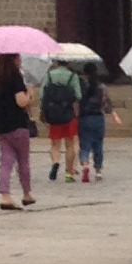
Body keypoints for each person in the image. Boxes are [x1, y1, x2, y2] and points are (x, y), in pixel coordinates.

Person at [0, 53, 36, 209]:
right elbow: (21, 102)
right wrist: (30, 94)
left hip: (0, 125)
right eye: (19, 59)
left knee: (6, 161)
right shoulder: (15, 77)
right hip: (17, 124)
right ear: (14, 60)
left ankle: (5, 195)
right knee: (23, 161)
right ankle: (26, 193)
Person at [40, 50, 83, 183]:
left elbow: (42, 94)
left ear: (56, 62)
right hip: (68, 113)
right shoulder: (72, 76)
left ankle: (55, 162)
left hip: (53, 113)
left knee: (55, 144)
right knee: (69, 144)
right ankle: (69, 174)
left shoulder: (49, 75)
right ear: (68, 63)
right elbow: (78, 95)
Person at [73, 51, 108, 183]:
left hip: (84, 117)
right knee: (98, 145)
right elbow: (106, 104)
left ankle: (85, 164)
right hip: (98, 118)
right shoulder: (101, 87)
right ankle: (98, 171)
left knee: (85, 144)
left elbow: (77, 101)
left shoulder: (82, 86)